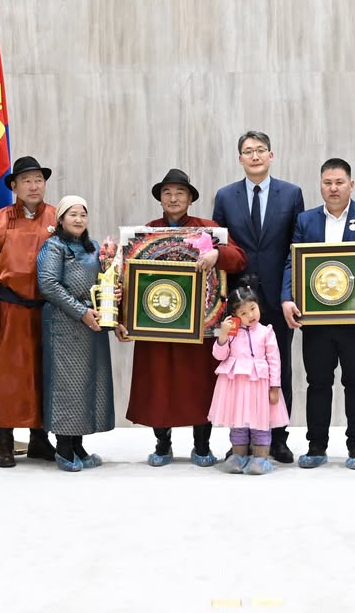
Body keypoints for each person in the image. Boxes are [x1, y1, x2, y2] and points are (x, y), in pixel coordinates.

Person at [126, 167, 244, 467]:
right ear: (160, 199)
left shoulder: (208, 230)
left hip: (199, 323)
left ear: (190, 198)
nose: (173, 198)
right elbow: (126, 275)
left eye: (180, 193)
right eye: (167, 193)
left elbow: (239, 258)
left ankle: (202, 446)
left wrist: (218, 254)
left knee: (200, 385)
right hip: (156, 321)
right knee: (158, 384)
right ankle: (162, 444)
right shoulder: (147, 233)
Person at [283, 158, 355, 470]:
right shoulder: (306, 220)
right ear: (320, 185)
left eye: (339, 182)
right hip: (316, 320)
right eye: (327, 182)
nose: (333, 188)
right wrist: (286, 299)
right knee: (318, 383)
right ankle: (316, 447)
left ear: (351, 185)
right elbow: (292, 262)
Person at [212, 131, 306, 462]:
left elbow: (297, 250)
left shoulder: (291, 194)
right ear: (240, 158)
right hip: (238, 298)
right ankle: (241, 438)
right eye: (248, 151)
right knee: (238, 370)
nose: (255, 156)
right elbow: (220, 247)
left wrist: (289, 295)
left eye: (260, 150)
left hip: (278, 296)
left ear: (271, 155)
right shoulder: (225, 196)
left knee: (278, 367)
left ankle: (278, 438)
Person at [0, 155, 57, 467]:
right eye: (26, 181)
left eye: (38, 180)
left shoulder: (57, 217)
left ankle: (40, 439)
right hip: (8, 310)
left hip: (48, 311)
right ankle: (5, 443)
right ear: (14, 186)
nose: (33, 186)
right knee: (5, 378)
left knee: (44, 374)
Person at [36, 196, 116, 471]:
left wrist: (112, 294)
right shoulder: (53, 246)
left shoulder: (94, 247)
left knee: (87, 385)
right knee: (66, 387)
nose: (79, 219)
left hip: (92, 325)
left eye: (83, 214)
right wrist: (81, 311)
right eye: (72, 214)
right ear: (60, 219)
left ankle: (78, 445)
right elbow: (48, 284)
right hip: (64, 324)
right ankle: (63, 449)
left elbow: (104, 281)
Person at [210, 289, 288, 475]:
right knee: (238, 422)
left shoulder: (266, 332)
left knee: (261, 422)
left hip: (259, 385)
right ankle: (238, 456)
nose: (250, 315)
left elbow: (274, 361)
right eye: (243, 313)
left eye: (253, 308)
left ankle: (260, 458)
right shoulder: (228, 331)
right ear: (234, 315)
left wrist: (274, 387)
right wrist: (223, 335)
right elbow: (218, 355)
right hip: (236, 385)